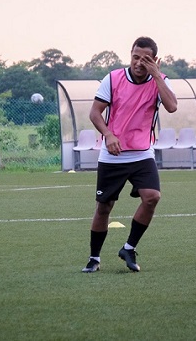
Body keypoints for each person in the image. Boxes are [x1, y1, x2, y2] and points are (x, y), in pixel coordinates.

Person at [81, 36, 177, 273]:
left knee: (152, 197)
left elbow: (172, 106)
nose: (138, 63)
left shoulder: (161, 81)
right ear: (130, 56)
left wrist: (157, 76)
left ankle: (129, 248)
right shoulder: (113, 79)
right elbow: (94, 113)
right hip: (113, 155)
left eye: (145, 59)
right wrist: (108, 135)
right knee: (104, 207)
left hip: (142, 154)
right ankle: (94, 258)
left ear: (154, 60)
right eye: (135, 57)